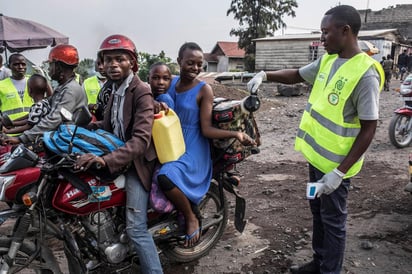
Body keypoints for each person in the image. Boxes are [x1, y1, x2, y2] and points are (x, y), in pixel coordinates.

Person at [247, 5, 384, 274]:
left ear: (345, 31)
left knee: (333, 220)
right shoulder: (328, 60)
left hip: (336, 168)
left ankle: (329, 270)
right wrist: (265, 75)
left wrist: (339, 173)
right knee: (318, 213)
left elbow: (369, 128)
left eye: (325, 32)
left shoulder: (365, 74)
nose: (322, 38)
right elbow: (298, 74)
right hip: (315, 160)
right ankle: (319, 262)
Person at [74, 34, 163, 274]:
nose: (113, 64)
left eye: (120, 59)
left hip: (137, 164)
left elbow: (140, 141)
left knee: (136, 229)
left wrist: (104, 159)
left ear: (132, 63)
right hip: (120, 157)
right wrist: (81, 130)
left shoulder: (140, 91)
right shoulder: (114, 89)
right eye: (108, 60)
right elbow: (109, 126)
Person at [156, 42, 255, 248]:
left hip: (192, 148)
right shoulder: (169, 81)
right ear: (179, 62)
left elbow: (207, 129)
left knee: (165, 176)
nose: (195, 68)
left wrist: (236, 133)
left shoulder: (204, 89)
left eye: (199, 64)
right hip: (169, 141)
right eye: (190, 63)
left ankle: (191, 216)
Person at [3, 44, 87, 145]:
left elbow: (54, 119)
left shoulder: (70, 90)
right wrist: (12, 123)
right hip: (61, 141)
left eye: (51, 65)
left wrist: (21, 138)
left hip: (68, 144)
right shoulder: (62, 88)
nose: (48, 69)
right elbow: (38, 112)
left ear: (58, 67)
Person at [0, 53, 33, 122]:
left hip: (33, 128)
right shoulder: (1, 85)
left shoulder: (34, 82)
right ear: (9, 66)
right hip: (10, 130)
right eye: (16, 64)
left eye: (23, 64)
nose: (20, 67)